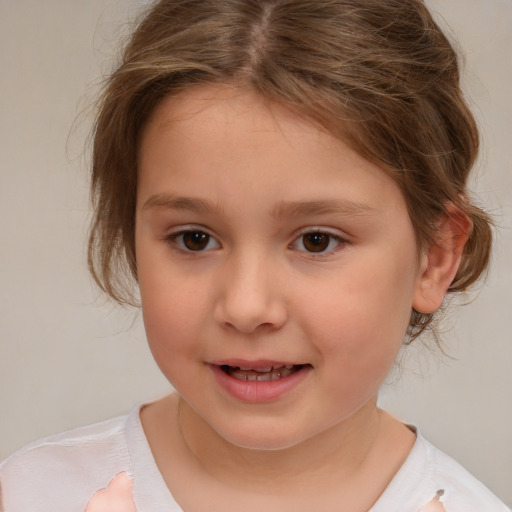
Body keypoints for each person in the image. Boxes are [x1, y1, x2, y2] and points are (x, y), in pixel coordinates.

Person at [0, 0, 509, 511]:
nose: (246, 307)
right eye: (194, 238)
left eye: (316, 240)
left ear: (434, 258)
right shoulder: (29, 493)